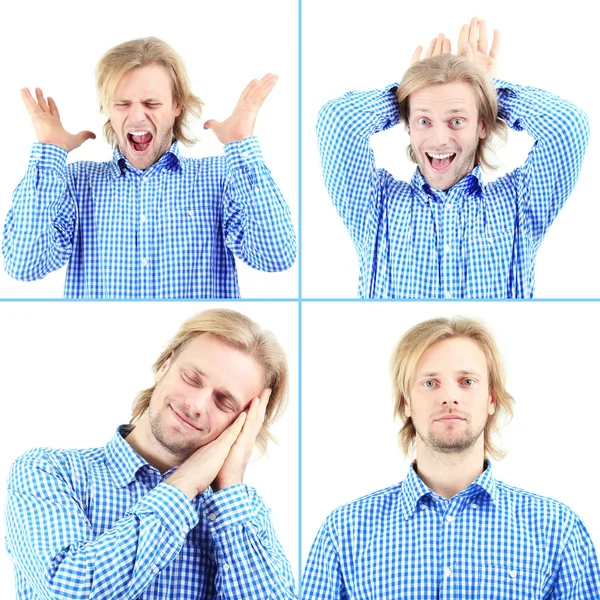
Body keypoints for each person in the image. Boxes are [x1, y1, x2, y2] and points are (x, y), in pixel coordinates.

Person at [5, 308, 297, 599]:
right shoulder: (48, 471)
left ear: (244, 422)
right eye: (192, 379)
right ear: (165, 365)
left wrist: (230, 482)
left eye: (223, 402)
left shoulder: (238, 516)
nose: (196, 405)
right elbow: (71, 591)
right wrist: (186, 483)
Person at [301, 316, 600, 598]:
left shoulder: (557, 529)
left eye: (467, 382)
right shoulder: (344, 532)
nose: (449, 398)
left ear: (491, 399)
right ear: (406, 402)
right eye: (430, 383)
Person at [2, 37, 296, 299]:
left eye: (151, 103)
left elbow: (276, 257)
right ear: (107, 107)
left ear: (177, 105)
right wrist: (49, 153)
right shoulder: (76, 182)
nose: (137, 116)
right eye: (123, 103)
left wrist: (241, 146)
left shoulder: (221, 177)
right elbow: (23, 265)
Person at [316, 18, 589, 299]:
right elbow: (338, 121)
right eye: (423, 120)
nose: (439, 140)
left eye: (456, 120)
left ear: (482, 125)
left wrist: (486, 88)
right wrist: (416, 86)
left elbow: (568, 126)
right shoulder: (377, 205)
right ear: (408, 125)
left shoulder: (519, 202)